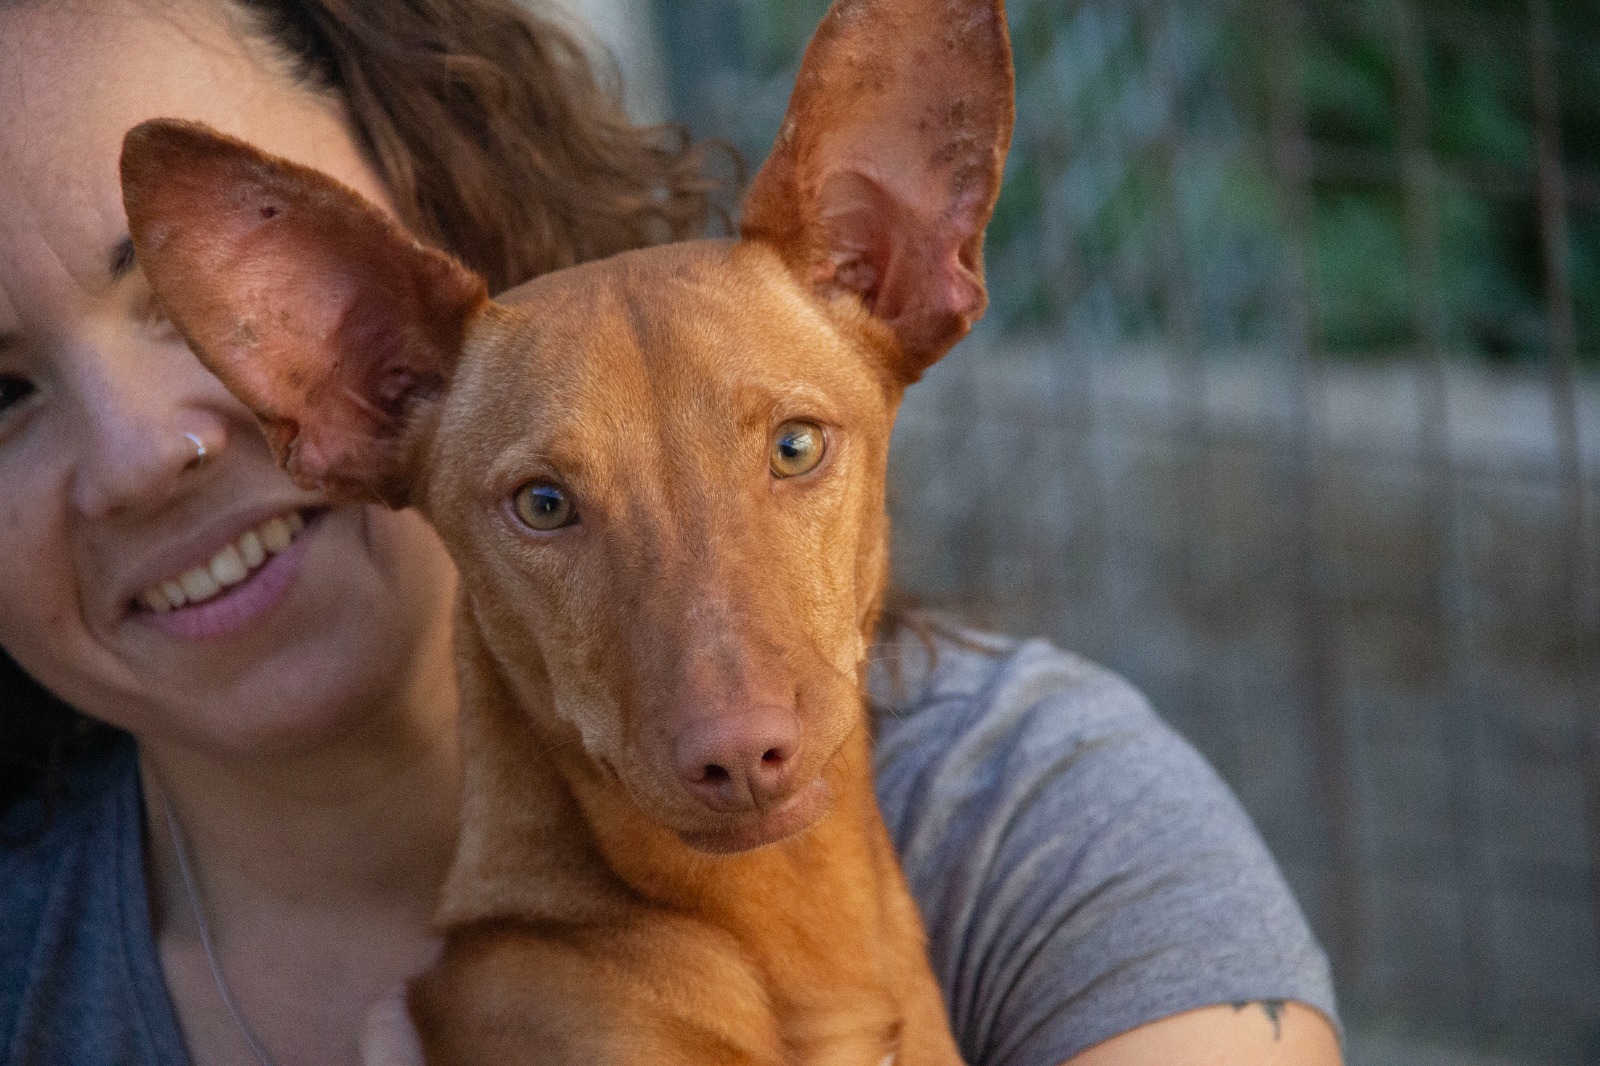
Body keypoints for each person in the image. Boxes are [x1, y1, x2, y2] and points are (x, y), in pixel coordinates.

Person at [0, 0, 1344, 1063]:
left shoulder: (1048, 822)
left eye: (794, 449)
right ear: (353, 367)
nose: (140, 459)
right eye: (547, 504)